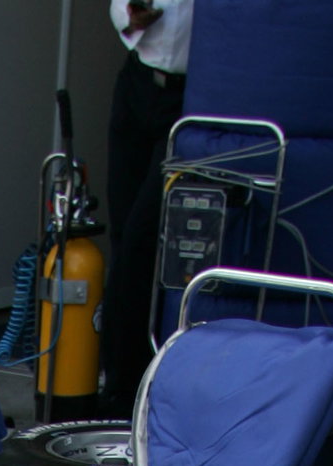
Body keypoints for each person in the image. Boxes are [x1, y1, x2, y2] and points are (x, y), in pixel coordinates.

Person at [101, 0, 194, 417]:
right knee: (122, 234)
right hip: (138, 82)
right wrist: (130, 15)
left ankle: (137, 386)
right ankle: (117, 381)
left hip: (189, 96)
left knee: (145, 236)